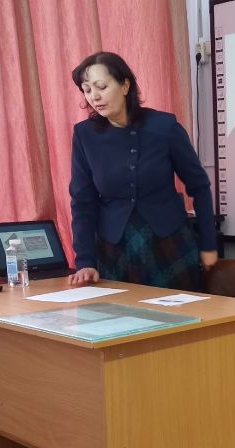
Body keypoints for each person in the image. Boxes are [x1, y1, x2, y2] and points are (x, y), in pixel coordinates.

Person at [68, 52, 218, 289]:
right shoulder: (84, 135)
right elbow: (82, 201)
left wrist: (209, 245)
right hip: (113, 248)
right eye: (87, 90)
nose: (94, 96)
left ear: (125, 85)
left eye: (101, 87)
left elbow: (199, 186)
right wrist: (85, 261)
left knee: (177, 310)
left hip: (168, 243)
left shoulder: (164, 127)